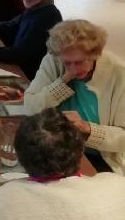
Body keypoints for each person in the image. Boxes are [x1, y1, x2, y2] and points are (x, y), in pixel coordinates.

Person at [24, 19, 125, 174]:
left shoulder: (119, 72)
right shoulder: (54, 60)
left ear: (94, 54)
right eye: (67, 63)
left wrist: (88, 128)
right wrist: (63, 81)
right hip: (54, 149)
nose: (74, 70)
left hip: (98, 159)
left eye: (79, 62)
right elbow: (30, 107)